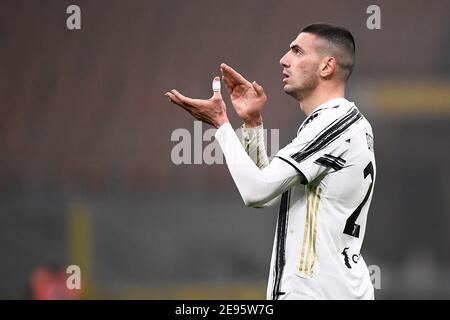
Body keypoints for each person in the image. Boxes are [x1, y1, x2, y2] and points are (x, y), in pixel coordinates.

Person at [165, 23, 376, 300]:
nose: (284, 60)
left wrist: (221, 125)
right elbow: (267, 192)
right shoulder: (345, 123)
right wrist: (251, 123)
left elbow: (255, 192)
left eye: (297, 52)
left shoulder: (332, 123)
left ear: (327, 67)